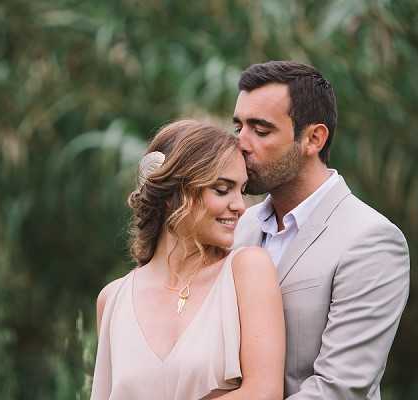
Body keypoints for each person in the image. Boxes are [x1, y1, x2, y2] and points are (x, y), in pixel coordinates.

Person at [232, 61, 410, 400]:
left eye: (261, 129)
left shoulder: (371, 241)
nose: (240, 143)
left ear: (313, 138)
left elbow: (339, 389)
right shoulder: (238, 227)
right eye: (238, 126)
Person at [90, 120, 285, 400]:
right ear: (172, 194)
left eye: (240, 191)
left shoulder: (247, 271)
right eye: (221, 189)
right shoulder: (112, 300)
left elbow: (264, 393)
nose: (240, 207)